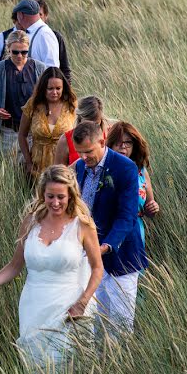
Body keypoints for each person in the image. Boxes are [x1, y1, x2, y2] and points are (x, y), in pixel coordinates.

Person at [0, 165, 103, 370]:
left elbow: (97, 269)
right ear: (42, 194)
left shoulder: (83, 225)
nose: (55, 202)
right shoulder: (31, 222)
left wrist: (82, 303)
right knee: (35, 367)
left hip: (68, 307)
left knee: (63, 366)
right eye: (50, 196)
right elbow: (15, 266)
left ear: (71, 195)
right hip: (33, 305)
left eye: (61, 197)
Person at [71, 120, 147, 340]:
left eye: (88, 152)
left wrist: (105, 246)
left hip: (121, 256)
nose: (84, 158)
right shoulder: (78, 168)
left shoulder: (125, 168)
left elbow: (127, 216)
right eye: (80, 153)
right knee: (96, 321)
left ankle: (121, 368)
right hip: (90, 260)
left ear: (102, 142)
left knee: (121, 325)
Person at [0, 31, 48, 157]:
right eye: (15, 52)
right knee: (10, 168)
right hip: (8, 130)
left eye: (24, 52)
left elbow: (48, 97)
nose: (20, 56)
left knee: (33, 168)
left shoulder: (39, 68)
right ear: (8, 49)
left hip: (34, 130)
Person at [105, 121, 160, 245]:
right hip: (109, 233)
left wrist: (153, 208)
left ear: (134, 145)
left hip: (134, 234)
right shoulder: (103, 168)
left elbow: (149, 208)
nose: (123, 146)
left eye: (128, 142)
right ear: (111, 144)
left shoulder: (141, 171)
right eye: (118, 142)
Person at [18, 68, 77, 178]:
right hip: (37, 166)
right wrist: (28, 162)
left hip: (65, 167)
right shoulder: (33, 104)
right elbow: (22, 135)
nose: (54, 92)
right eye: (50, 88)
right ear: (43, 88)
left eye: (58, 88)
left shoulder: (71, 105)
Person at [54, 95, 113, 167]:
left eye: (96, 124)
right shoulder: (66, 140)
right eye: (87, 123)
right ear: (80, 118)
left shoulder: (110, 134)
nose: (91, 128)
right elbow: (58, 173)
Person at [12, 0, 59, 69]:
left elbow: (52, 67)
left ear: (20, 15)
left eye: (17, 15)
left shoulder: (44, 34)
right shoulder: (33, 32)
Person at [37, 0, 72, 84]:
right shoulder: (24, 36)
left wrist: (66, 91)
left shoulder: (55, 37)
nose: (37, 18)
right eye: (34, 15)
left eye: (40, 15)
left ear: (46, 16)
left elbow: (64, 68)